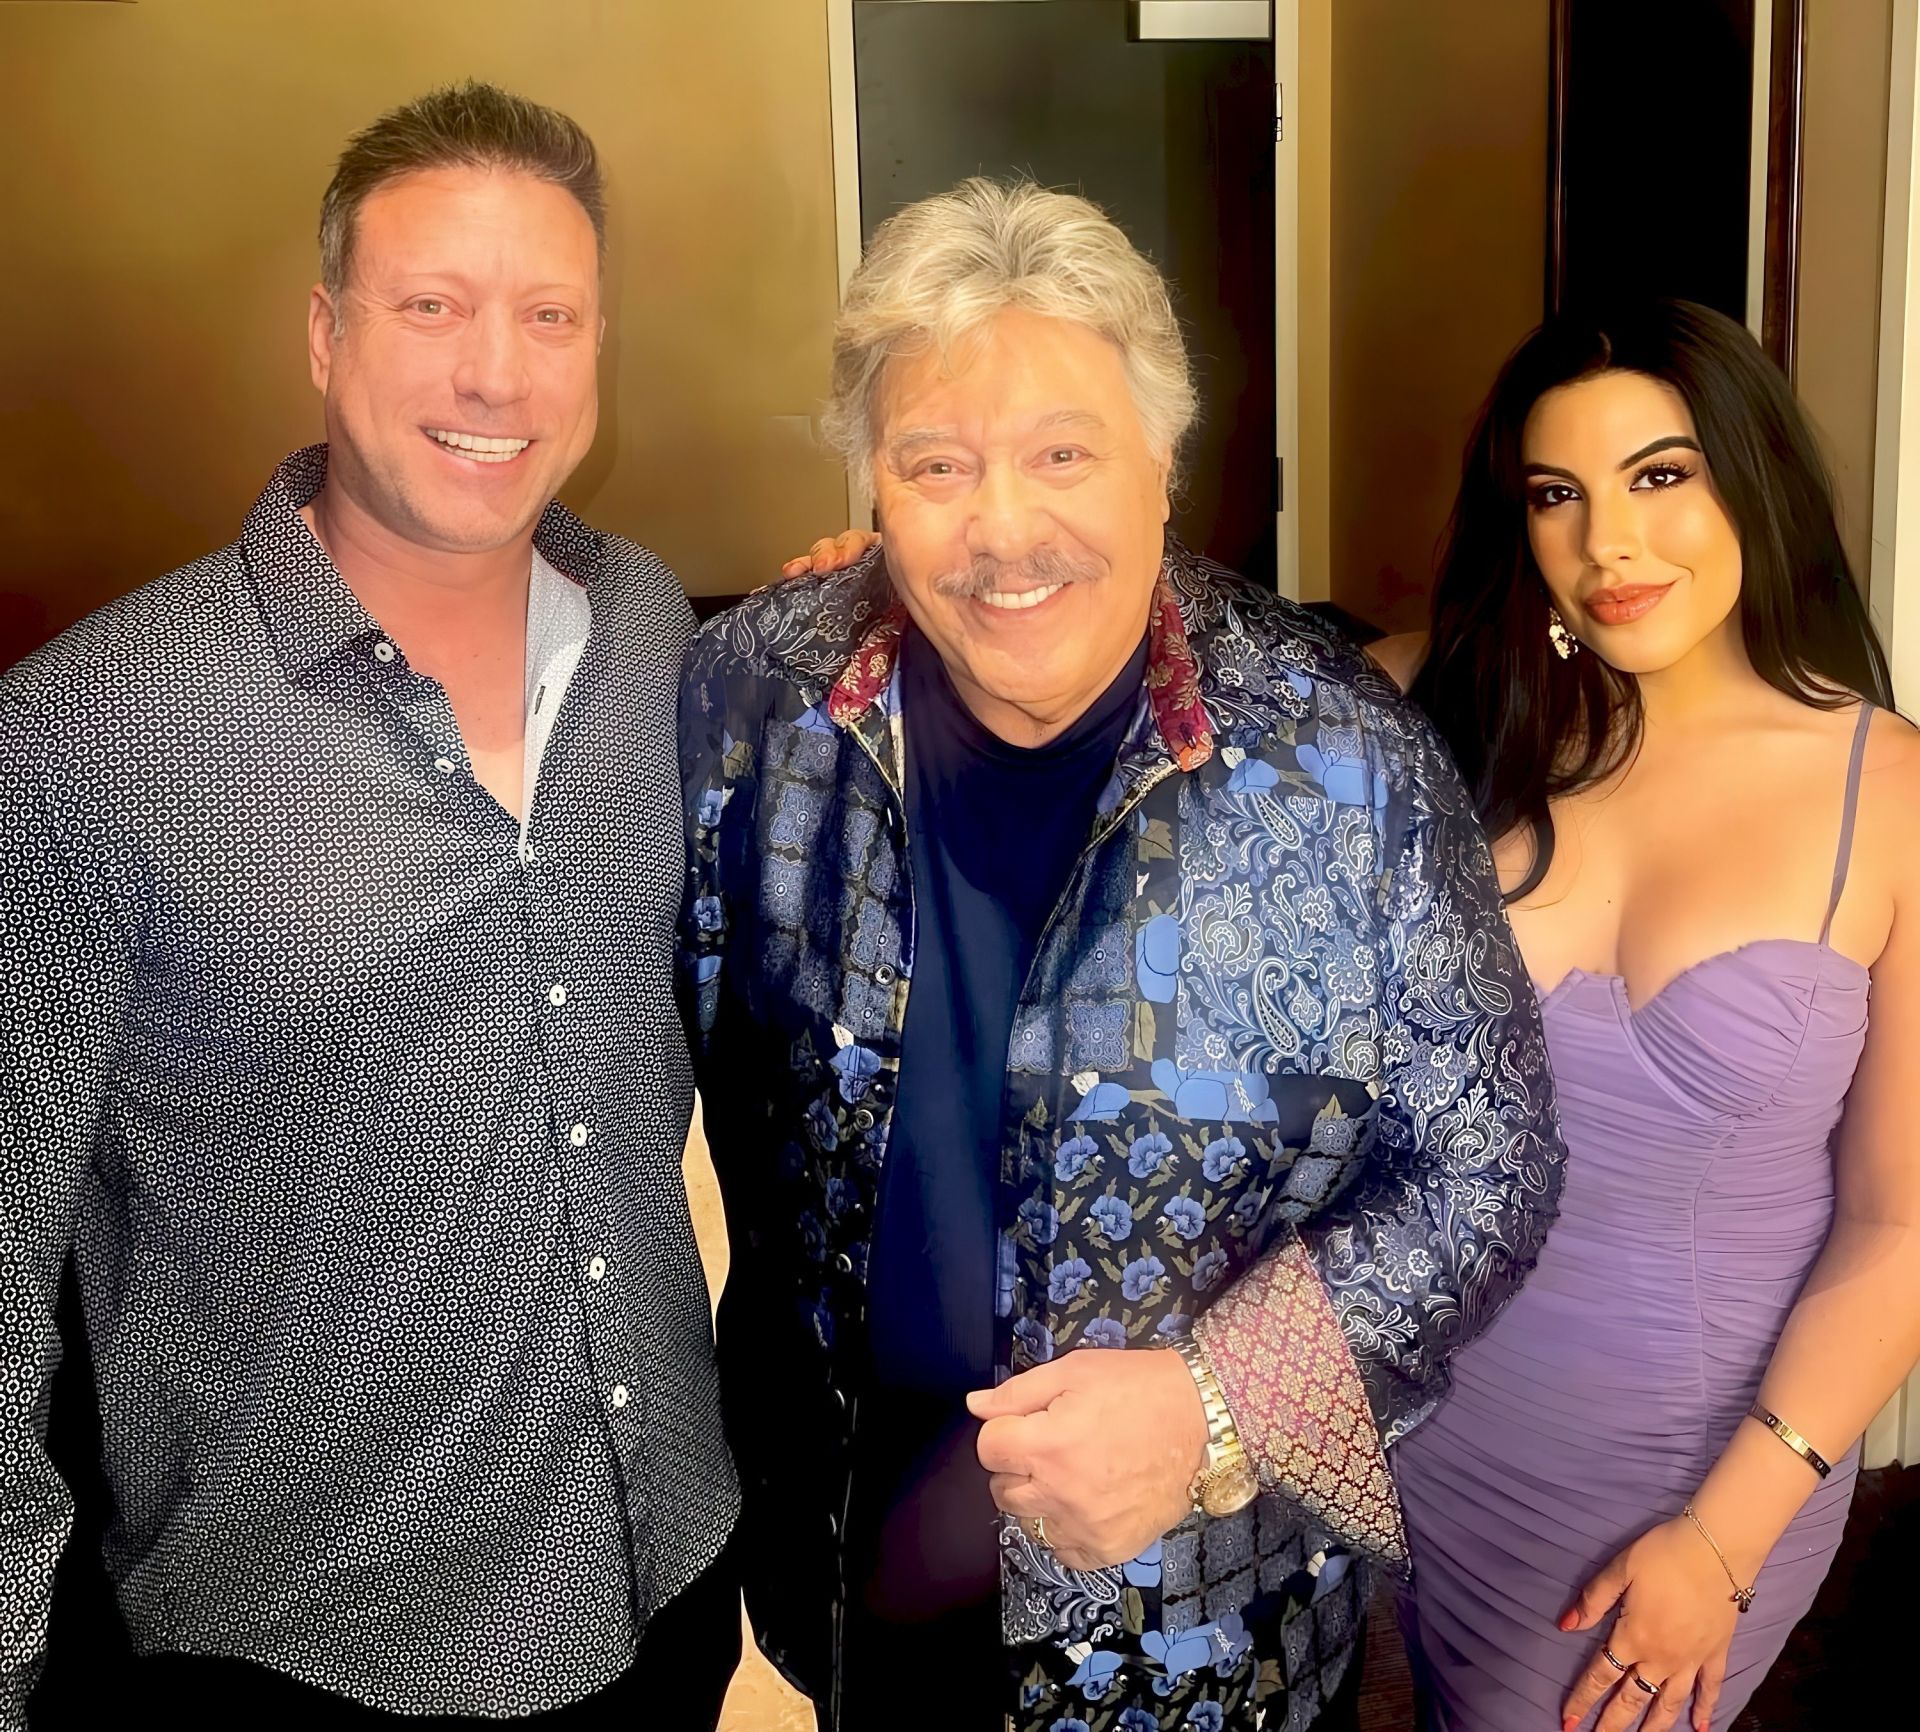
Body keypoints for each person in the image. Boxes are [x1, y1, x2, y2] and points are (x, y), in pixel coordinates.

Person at [676, 177, 1567, 1732]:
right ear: (874, 487)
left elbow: (1490, 1174)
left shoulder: (1341, 767)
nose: (1003, 528)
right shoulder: (757, 697)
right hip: (841, 1578)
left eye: (1063, 455)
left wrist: (1216, 1402)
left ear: (1164, 458)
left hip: (1198, 1617)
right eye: (936, 464)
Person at [0, 82, 742, 1725]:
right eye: (433, 307)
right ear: (325, 335)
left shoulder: (664, 658)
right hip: (307, 1656)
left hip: (668, 1584)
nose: (497, 372)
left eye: (549, 315)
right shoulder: (89, 740)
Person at [1370, 299, 1920, 1732]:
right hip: (1440, 1431)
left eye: (1659, 476)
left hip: (1700, 1466)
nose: (1610, 543)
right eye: (1560, 495)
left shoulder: (1895, 794)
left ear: (1752, 478)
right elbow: (1151, 684)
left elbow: (1900, 1226)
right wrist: (898, 581)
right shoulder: (1434, 702)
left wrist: (1727, 1538)